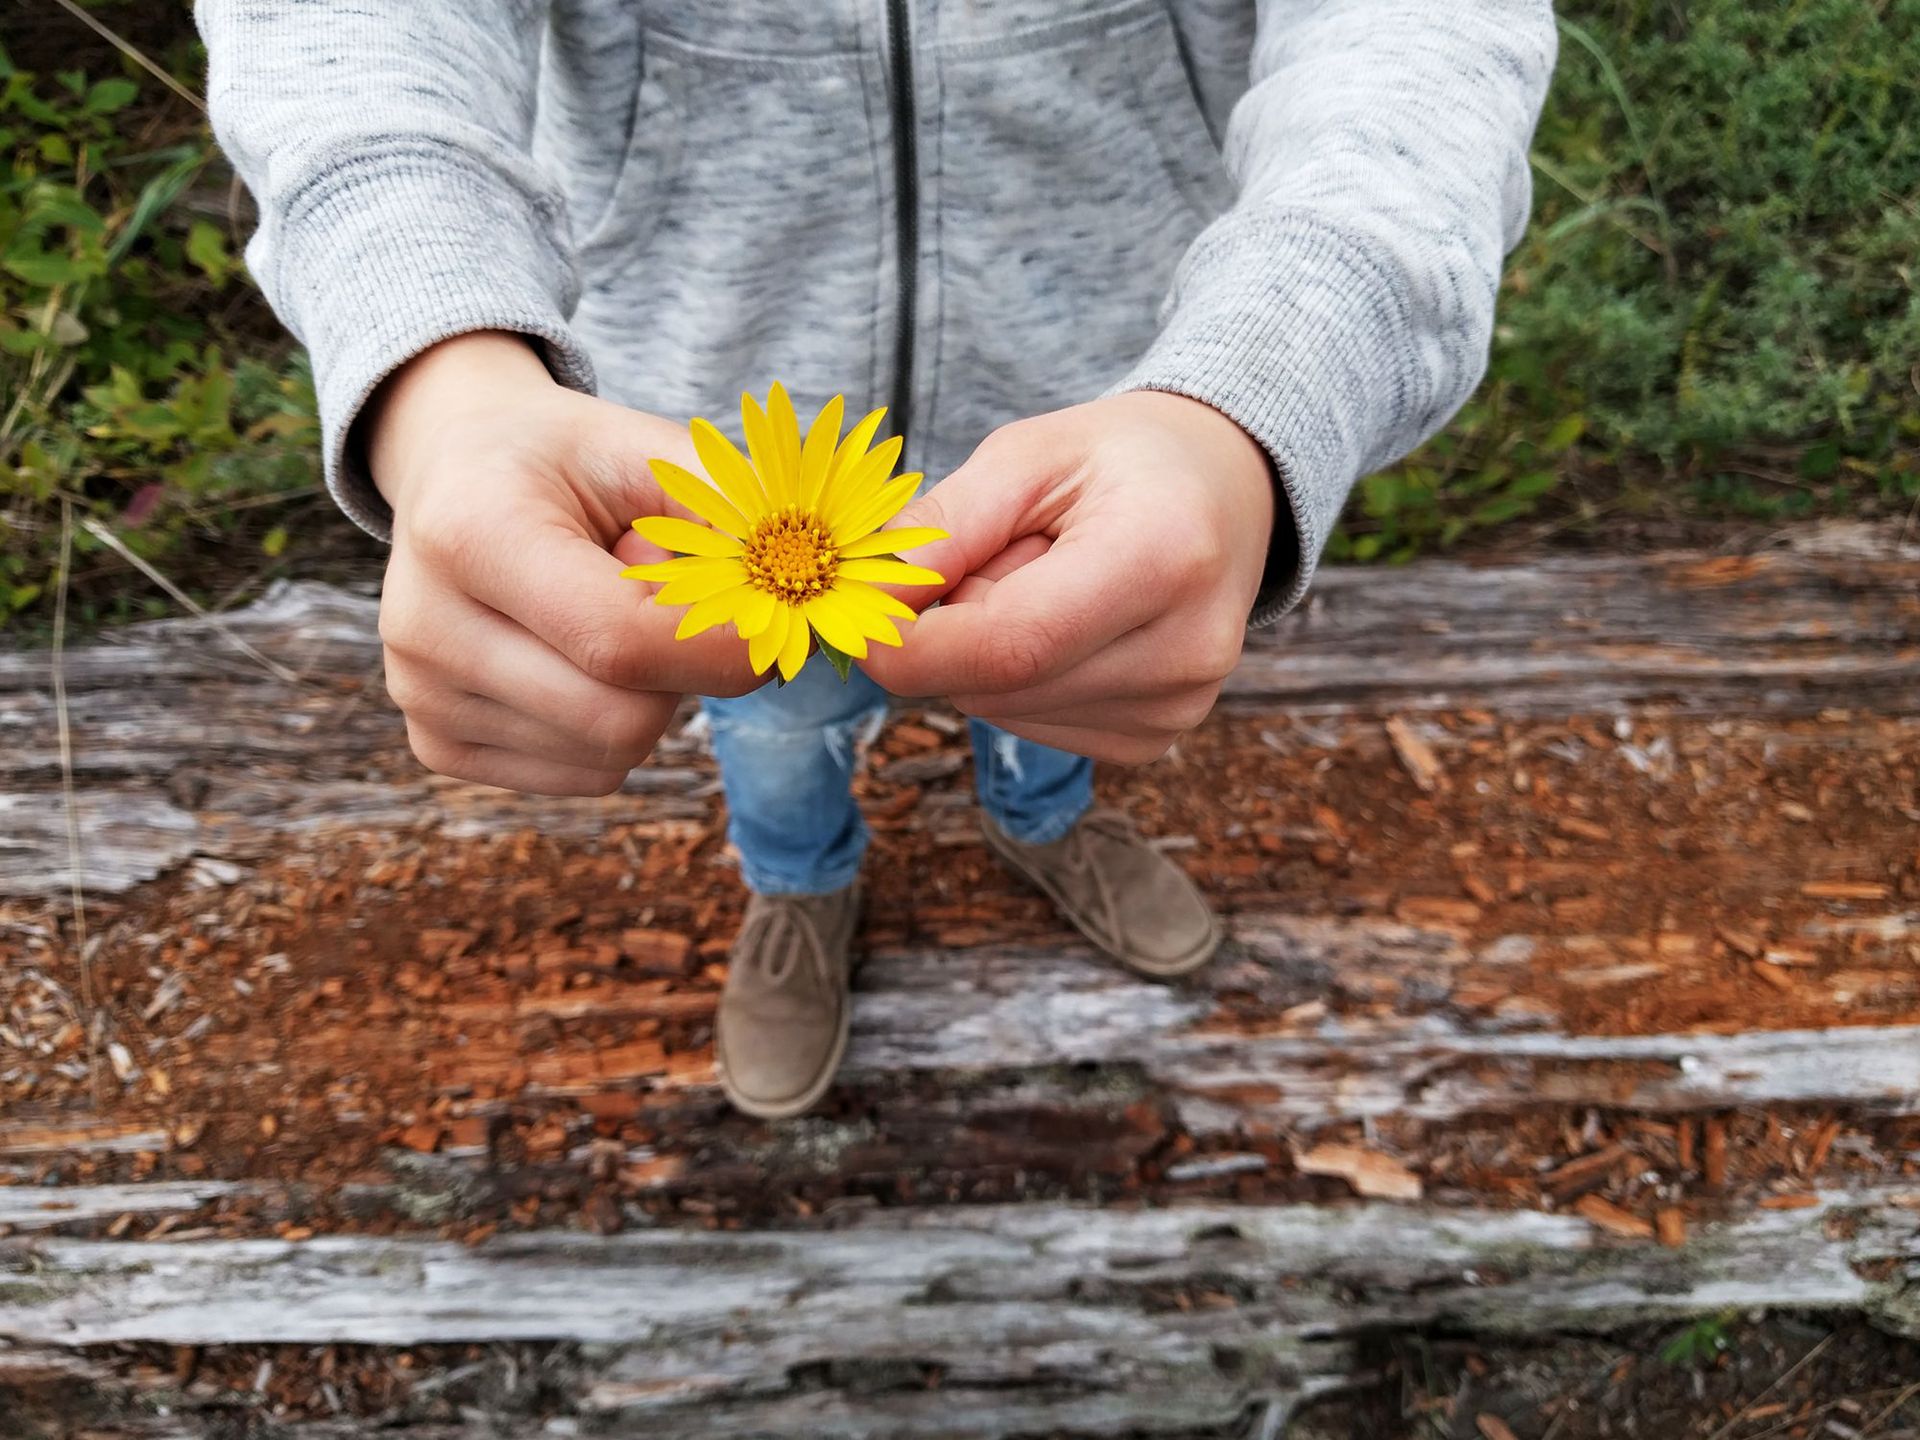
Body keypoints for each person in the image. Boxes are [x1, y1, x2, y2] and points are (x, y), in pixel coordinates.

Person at [199, 0, 1555, 1118]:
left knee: (1046, 685)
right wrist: (442, 369)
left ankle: (1044, 824)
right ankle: (804, 891)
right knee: (774, 725)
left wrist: (1268, 380)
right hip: (707, 461)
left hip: (1096, 415)